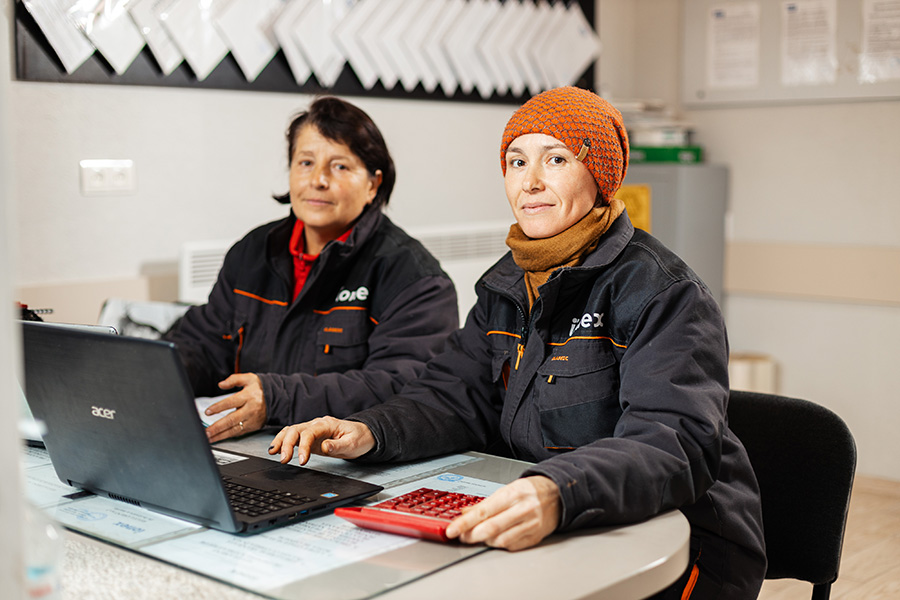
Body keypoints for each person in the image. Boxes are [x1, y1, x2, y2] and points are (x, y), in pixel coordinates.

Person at [269, 87, 767, 599]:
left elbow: (673, 441)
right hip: (557, 522)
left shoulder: (663, 291)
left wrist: (558, 491)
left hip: (680, 547)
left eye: (556, 159)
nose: (530, 182)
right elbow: (452, 396)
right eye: (517, 161)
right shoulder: (505, 284)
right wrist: (369, 430)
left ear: (600, 174)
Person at [164, 96, 458, 443]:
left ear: (373, 185)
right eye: (305, 162)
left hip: (340, 456)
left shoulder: (414, 277)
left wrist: (278, 399)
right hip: (255, 446)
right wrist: (153, 371)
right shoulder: (252, 252)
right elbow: (207, 343)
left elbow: (402, 385)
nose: (318, 179)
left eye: (340, 167)